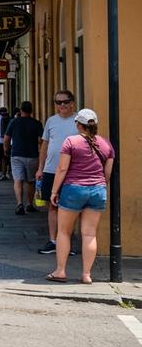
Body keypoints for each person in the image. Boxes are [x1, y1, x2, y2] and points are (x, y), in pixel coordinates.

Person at [46, 108, 115, 284]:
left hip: (73, 189)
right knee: (89, 234)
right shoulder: (106, 144)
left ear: (78, 124)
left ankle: (60, 271)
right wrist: (99, 185)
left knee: (64, 231)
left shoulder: (71, 141)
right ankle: (86, 274)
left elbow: (62, 169)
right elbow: (107, 174)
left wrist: (54, 191)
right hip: (98, 190)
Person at [37, 90, 79, 255]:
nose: (62, 105)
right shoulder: (51, 121)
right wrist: (40, 168)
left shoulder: (78, 121)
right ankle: (53, 240)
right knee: (52, 207)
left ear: (72, 103)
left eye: (65, 101)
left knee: (69, 207)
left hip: (72, 171)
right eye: (58, 102)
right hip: (50, 170)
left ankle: (66, 242)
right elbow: (45, 146)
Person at [5, 101, 43, 215]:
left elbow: (6, 138)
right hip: (32, 155)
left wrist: (6, 149)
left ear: (20, 110)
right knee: (31, 181)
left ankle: (19, 203)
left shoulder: (14, 122)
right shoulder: (36, 123)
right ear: (31, 110)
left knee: (18, 180)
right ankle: (30, 204)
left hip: (16, 154)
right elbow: (42, 140)